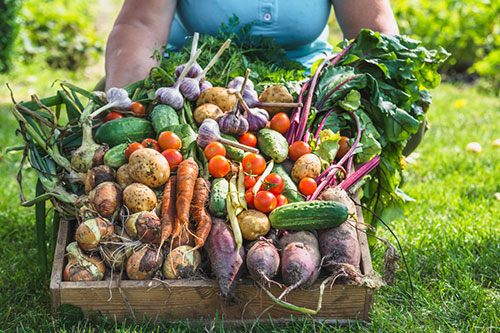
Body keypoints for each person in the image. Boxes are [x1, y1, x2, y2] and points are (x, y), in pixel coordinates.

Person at [104, 0, 399, 91]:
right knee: (107, 95)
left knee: (407, 124)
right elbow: (139, 25)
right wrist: (127, 102)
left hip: (303, 84)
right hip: (192, 80)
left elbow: (373, 34)